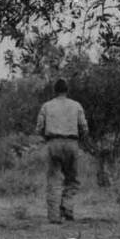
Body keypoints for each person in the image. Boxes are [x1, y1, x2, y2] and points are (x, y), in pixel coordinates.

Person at [36, 78, 89, 224]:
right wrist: (80, 140)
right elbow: (84, 127)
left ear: (55, 90)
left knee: (53, 180)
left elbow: (39, 127)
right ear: (67, 90)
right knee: (72, 178)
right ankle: (67, 209)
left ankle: (54, 216)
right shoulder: (76, 105)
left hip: (53, 142)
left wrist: (47, 139)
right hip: (72, 142)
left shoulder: (47, 106)